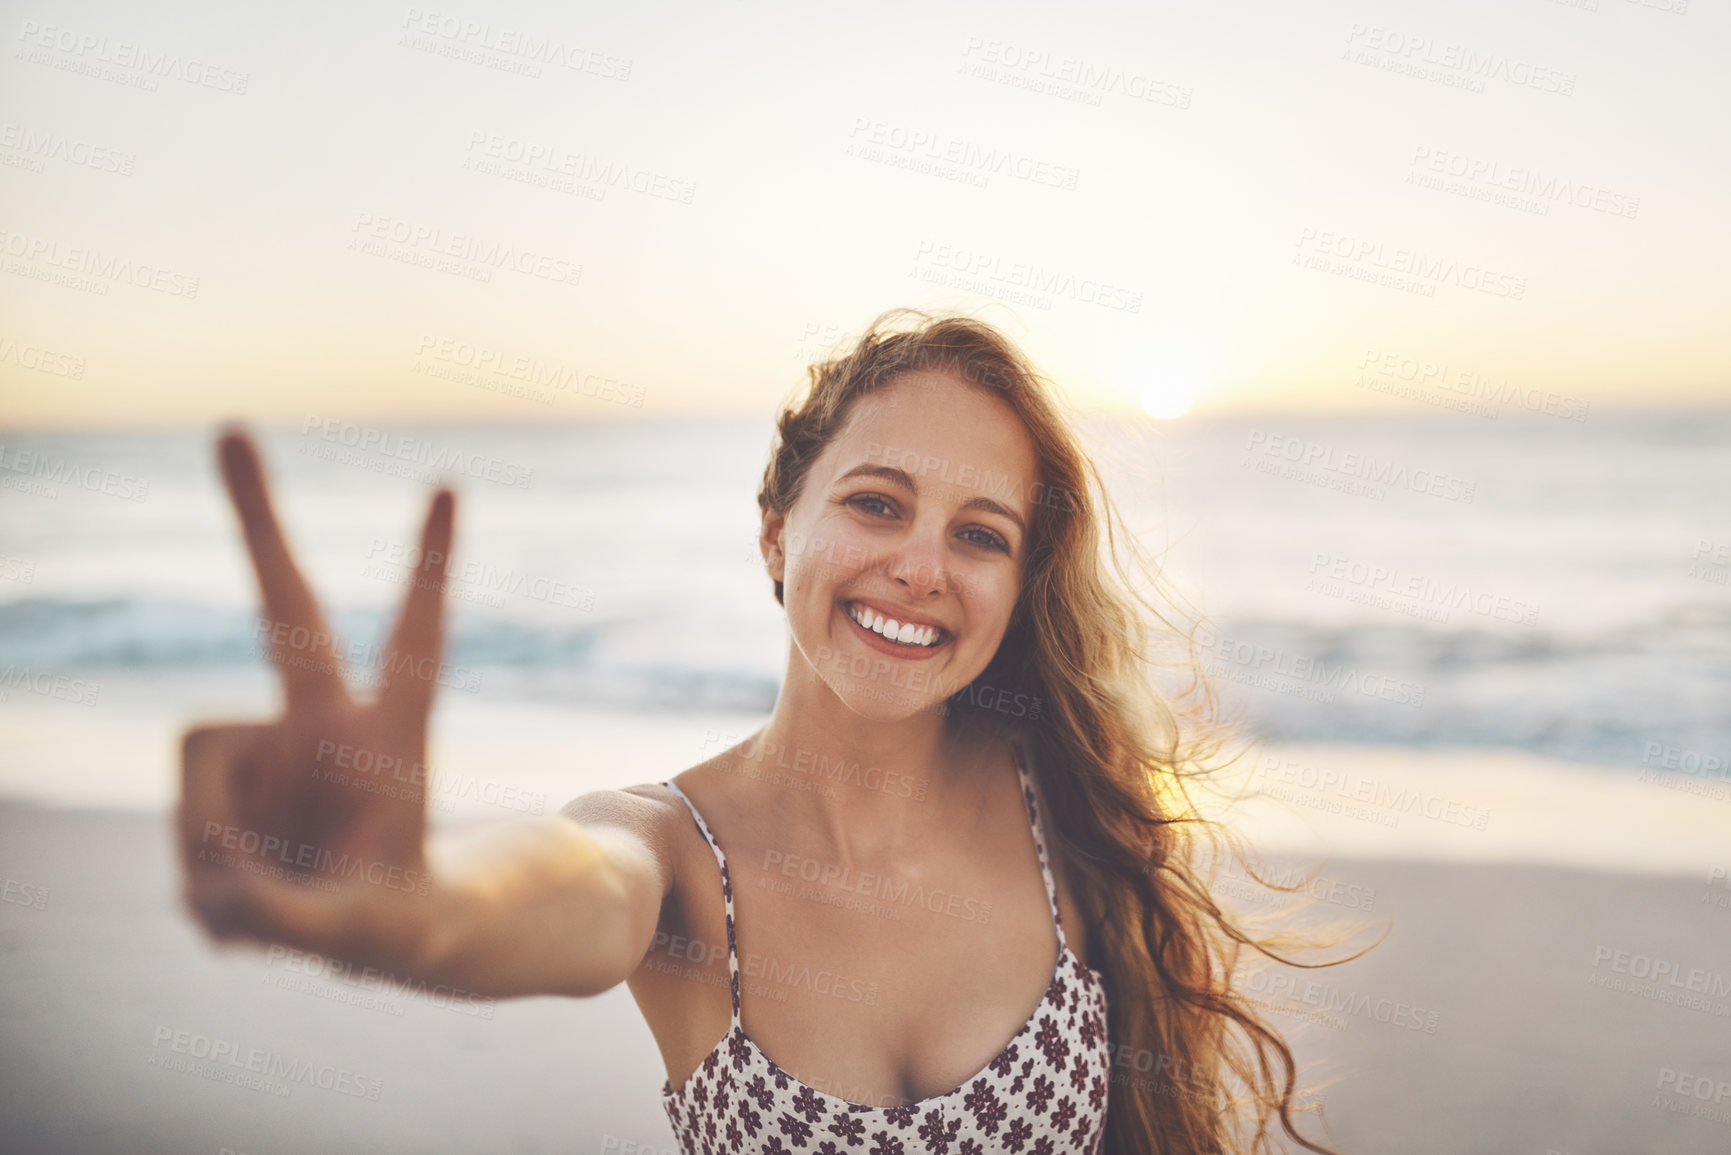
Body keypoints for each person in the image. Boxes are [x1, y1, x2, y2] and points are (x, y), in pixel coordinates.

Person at [178, 311, 1336, 1154]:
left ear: (1021, 579)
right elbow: (558, 890)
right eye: (876, 503)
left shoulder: (1068, 806)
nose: (921, 566)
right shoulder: (674, 856)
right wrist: (410, 903)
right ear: (778, 532)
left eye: (980, 534)